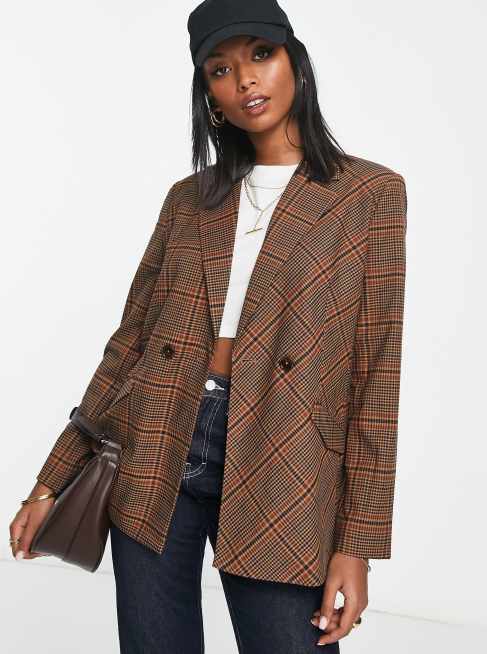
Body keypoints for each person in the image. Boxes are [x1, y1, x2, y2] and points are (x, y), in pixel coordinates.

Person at [9, 1, 408, 652]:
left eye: (261, 55)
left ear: (295, 64)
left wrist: (357, 543)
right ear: (210, 96)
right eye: (219, 69)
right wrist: (49, 481)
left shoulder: (369, 195)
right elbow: (130, 345)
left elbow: (375, 375)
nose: (244, 79)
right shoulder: (188, 200)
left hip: (284, 454)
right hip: (158, 439)